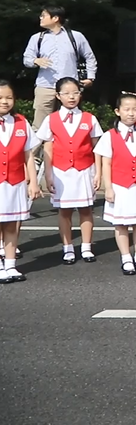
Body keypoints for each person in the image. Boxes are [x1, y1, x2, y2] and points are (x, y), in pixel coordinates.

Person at [38, 77, 103, 264]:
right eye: (66, 93)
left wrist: (98, 173)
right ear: (58, 96)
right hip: (61, 172)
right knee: (64, 211)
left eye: (75, 92)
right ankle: (67, 247)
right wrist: (48, 175)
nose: (71, 97)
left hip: (84, 170)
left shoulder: (89, 119)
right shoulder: (51, 119)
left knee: (86, 209)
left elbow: (97, 148)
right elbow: (47, 149)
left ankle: (86, 247)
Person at [94, 93, 136, 276]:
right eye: (127, 109)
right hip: (120, 186)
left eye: (135, 109)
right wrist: (108, 187)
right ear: (117, 111)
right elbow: (105, 163)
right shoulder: (110, 136)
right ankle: (126, 257)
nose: (131, 113)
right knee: (121, 224)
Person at [21, 7, 98, 154]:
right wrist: (36, 60)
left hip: (69, 88)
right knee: (39, 125)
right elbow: (26, 59)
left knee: (70, 123)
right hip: (45, 85)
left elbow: (89, 57)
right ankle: (33, 161)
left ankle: (69, 155)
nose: (40, 18)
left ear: (55, 18)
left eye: (43, 15)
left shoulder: (76, 36)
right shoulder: (37, 38)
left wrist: (90, 77)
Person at [0, 80, 40, 283]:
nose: (5, 101)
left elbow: (28, 156)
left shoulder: (21, 123)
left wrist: (32, 182)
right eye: (0, 98)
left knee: (11, 225)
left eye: (9, 97)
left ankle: (10, 264)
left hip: (15, 182)